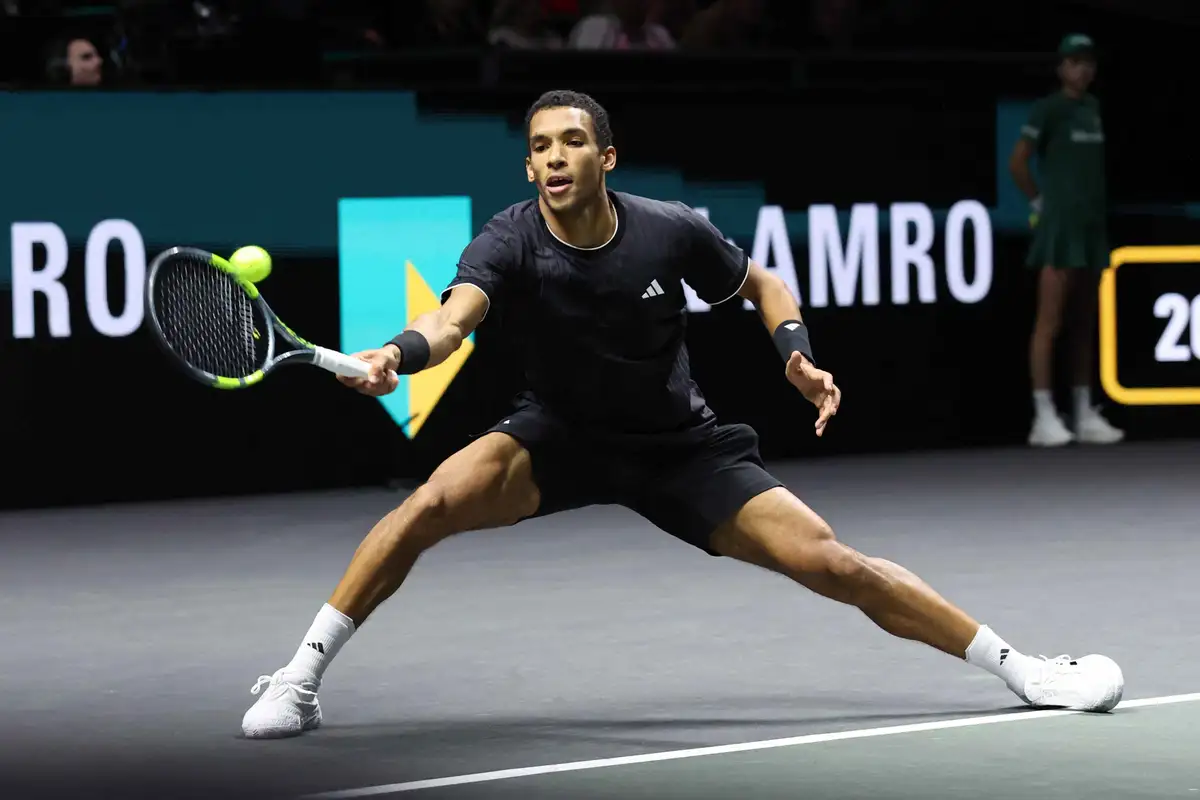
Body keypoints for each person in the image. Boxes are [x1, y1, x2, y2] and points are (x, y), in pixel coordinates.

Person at [241, 89, 1125, 739]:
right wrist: (399, 353)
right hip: (559, 438)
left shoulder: (667, 229)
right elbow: (453, 319)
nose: (555, 158)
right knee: (426, 506)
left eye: (573, 142)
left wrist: (795, 354)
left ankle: (1026, 670)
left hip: (679, 450)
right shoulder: (507, 238)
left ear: (606, 158)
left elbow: (764, 284)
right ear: (529, 167)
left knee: (834, 562)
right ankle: (299, 680)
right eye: (541, 147)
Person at [1009, 33, 1124, 448]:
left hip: (1091, 228)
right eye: (1075, 62)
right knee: (1050, 322)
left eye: (1088, 62)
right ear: (1061, 68)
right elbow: (1018, 162)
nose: (1083, 69)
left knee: (1084, 324)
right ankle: (1043, 416)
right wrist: (1040, 203)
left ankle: (1083, 411)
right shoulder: (1049, 109)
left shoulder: (1093, 108)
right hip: (1060, 230)